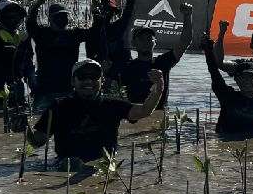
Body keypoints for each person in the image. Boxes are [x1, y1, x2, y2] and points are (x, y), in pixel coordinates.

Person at [28, 59, 164, 166]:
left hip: (103, 166)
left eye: (94, 76)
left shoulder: (113, 105)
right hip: (65, 167)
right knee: (73, 164)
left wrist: (159, 87)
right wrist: (24, 128)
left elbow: (145, 110)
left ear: (102, 81)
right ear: (72, 81)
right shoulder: (59, 106)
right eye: (82, 76)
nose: (88, 81)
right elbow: (37, 142)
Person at [27, 0, 98, 112]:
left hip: (67, 87)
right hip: (45, 88)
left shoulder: (74, 34)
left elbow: (95, 32)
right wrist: (37, 5)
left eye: (64, 16)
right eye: (58, 16)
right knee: (38, 118)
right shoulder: (41, 34)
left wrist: (95, 11)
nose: (62, 19)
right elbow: (30, 23)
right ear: (50, 19)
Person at [119, 2, 194, 110]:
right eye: (141, 38)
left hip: (158, 114)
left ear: (155, 42)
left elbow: (185, 41)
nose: (145, 41)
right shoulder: (126, 68)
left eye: (149, 38)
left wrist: (187, 16)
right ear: (133, 42)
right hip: (134, 115)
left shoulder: (163, 62)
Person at [202, 37, 253, 140]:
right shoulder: (228, 97)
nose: (247, 81)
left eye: (251, 77)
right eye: (242, 77)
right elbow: (214, 72)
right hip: (228, 145)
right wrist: (208, 51)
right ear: (236, 80)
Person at [87, 0, 141, 82]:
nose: (107, 13)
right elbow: (90, 58)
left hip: (124, 75)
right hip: (103, 78)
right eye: (104, 10)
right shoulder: (93, 33)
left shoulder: (120, 27)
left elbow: (132, 2)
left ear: (114, 13)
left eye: (110, 10)